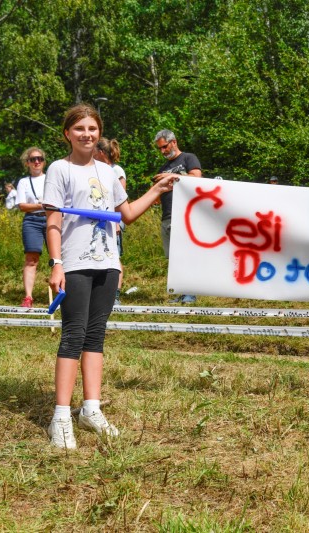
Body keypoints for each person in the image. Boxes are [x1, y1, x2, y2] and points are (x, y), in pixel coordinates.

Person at [43, 103, 177, 449]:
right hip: (74, 263)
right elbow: (54, 221)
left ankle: (91, 409)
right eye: (79, 129)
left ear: (99, 133)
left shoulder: (108, 172)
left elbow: (126, 215)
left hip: (107, 263)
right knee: (73, 334)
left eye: (92, 128)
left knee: (96, 335)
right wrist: (56, 263)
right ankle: (60, 416)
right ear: (67, 134)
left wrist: (159, 190)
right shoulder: (59, 169)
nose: (87, 134)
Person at [152, 129, 202, 304]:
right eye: (160, 149)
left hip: (185, 215)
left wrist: (172, 176)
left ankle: (191, 293)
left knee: (186, 254)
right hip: (167, 216)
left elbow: (197, 178)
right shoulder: (162, 168)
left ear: (174, 142)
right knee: (173, 258)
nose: (163, 151)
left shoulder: (188, 158)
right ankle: (181, 292)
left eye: (164, 147)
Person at [95, 138, 127, 306]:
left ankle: (115, 294)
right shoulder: (96, 169)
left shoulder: (117, 170)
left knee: (115, 256)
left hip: (113, 220)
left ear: (100, 152)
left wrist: (116, 223)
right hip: (100, 220)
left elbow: (120, 200)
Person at [15, 147, 48, 307]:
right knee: (31, 259)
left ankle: (64, 293)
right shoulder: (23, 182)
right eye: (33, 159)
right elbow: (22, 206)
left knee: (59, 258)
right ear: (27, 163)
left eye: (40, 159)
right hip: (32, 221)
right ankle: (28, 297)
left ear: (44, 161)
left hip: (51, 219)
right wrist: (39, 205)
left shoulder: (50, 178)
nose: (37, 162)